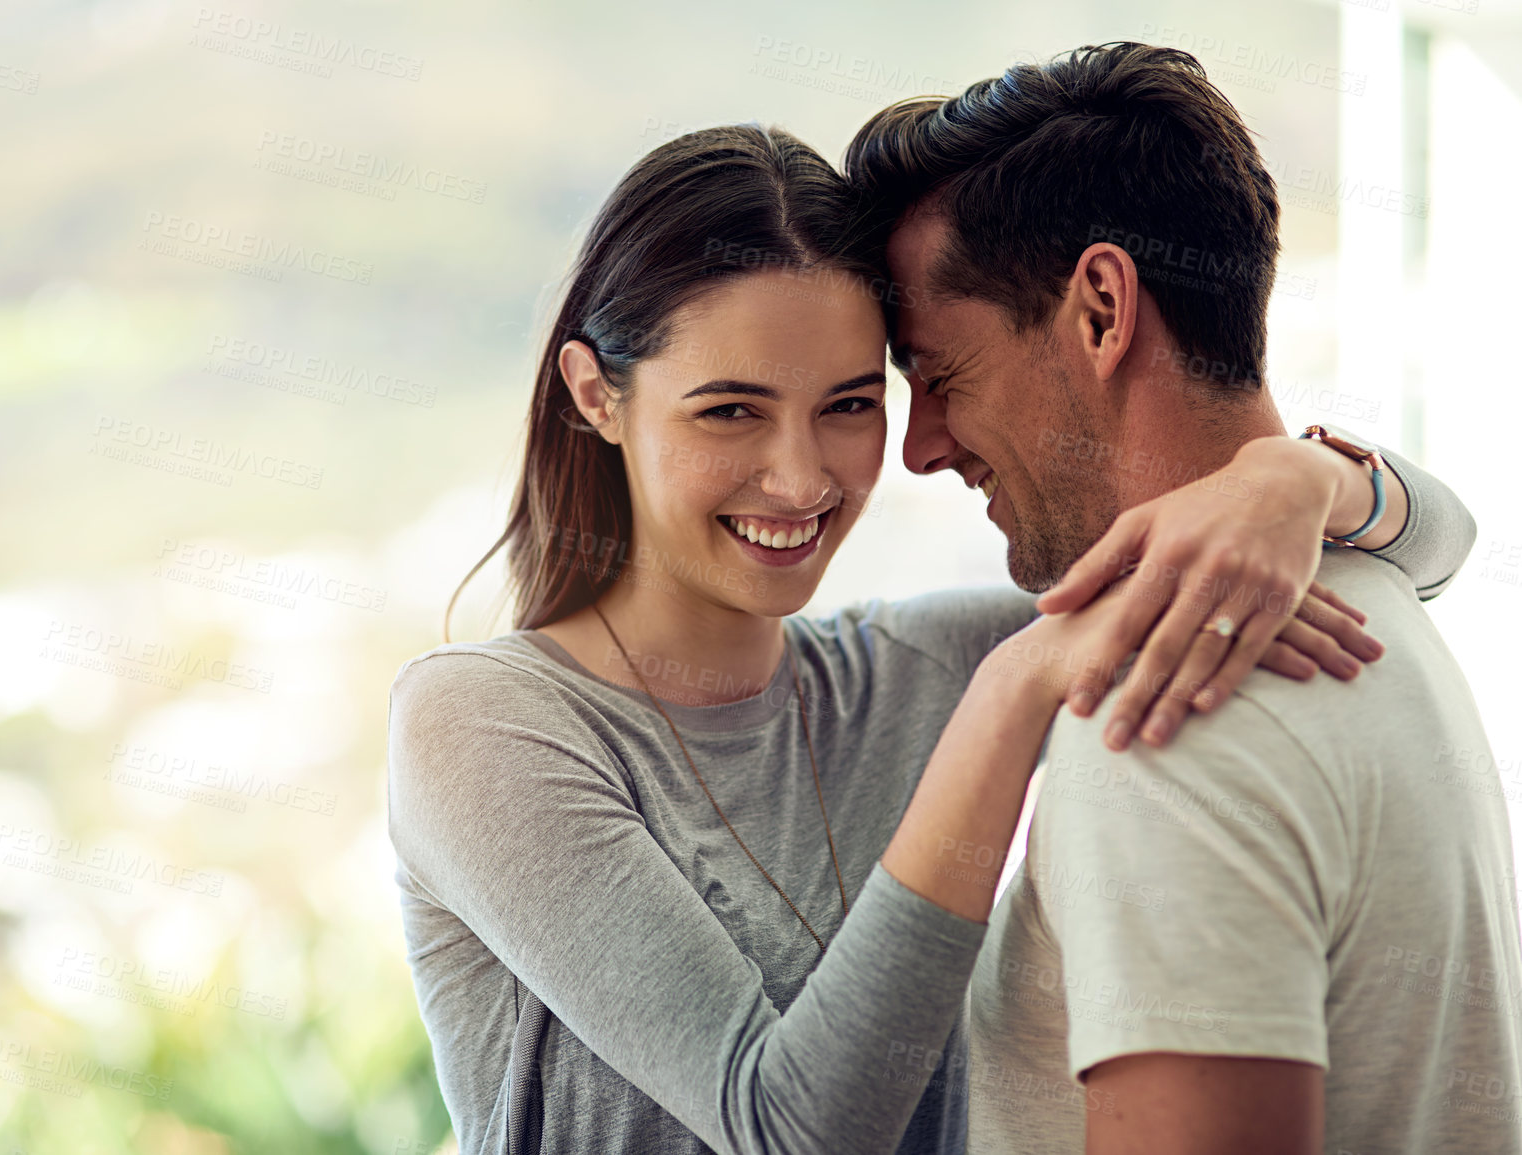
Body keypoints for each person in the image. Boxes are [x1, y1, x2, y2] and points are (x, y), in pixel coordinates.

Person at [387, 122, 1474, 1155]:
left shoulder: (916, 670)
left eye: (852, 405)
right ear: (596, 394)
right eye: (730, 412)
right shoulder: (480, 724)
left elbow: (1438, 552)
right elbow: (785, 1128)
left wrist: (1301, 476)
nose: (804, 477)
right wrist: (1013, 696)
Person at [847, 40, 1520, 1155]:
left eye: (940, 376)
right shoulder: (1373, 590)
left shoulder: (1165, 713)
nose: (918, 448)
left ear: (1103, 309)